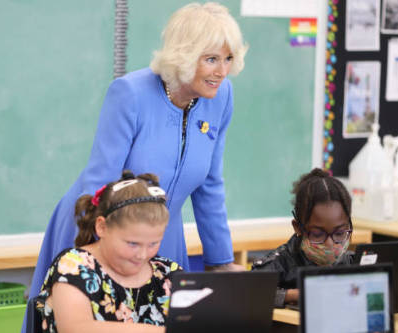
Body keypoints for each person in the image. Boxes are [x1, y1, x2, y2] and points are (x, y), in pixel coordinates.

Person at [28, 1, 248, 315]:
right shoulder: (129, 93)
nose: (222, 71)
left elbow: (210, 183)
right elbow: (99, 180)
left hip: (162, 237)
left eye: (228, 58)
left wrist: (220, 261)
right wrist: (86, 261)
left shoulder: (221, 96)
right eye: (211, 59)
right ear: (184, 55)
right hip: (99, 232)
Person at [36, 170, 182, 333]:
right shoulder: (74, 267)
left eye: (153, 243)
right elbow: (76, 328)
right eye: (132, 243)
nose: (142, 255)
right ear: (102, 227)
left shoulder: (168, 273)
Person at [251, 168, 354, 308]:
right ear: (298, 228)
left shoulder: (353, 262)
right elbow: (247, 291)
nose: (330, 244)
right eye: (317, 235)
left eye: (340, 233)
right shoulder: (281, 263)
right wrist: (293, 295)